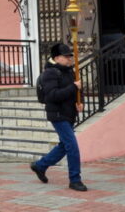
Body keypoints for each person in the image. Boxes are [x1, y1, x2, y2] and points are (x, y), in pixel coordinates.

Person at [30, 43, 88, 192]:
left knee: (64, 145)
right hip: (57, 114)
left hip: (68, 113)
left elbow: (77, 88)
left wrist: (79, 101)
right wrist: (74, 88)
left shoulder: (68, 71)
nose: (69, 59)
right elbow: (52, 95)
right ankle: (75, 179)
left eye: (70, 56)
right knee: (72, 146)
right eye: (66, 56)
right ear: (56, 58)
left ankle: (40, 165)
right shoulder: (50, 73)